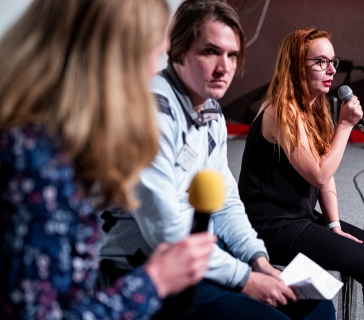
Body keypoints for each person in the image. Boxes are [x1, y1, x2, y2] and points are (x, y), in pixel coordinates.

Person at [99, 1, 335, 319]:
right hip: (151, 271)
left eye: (232, 55)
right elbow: (167, 232)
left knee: (318, 308)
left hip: (208, 258)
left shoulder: (211, 112)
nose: (224, 67)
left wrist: (258, 260)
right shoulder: (151, 115)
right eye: (211, 52)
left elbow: (226, 202)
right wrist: (244, 279)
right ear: (179, 50)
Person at [0, 0, 216, 319]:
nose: (150, 75)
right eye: (151, 56)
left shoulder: (42, 145)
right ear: (113, 62)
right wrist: (155, 280)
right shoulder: (36, 163)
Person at [238, 28, 364, 320]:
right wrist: (345, 127)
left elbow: (328, 175)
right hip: (270, 227)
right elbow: (319, 174)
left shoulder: (314, 108)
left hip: (300, 218)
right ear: (298, 66)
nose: (332, 69)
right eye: (321, 62)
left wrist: (334, 224)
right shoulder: (281, 111)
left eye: (333, 60)